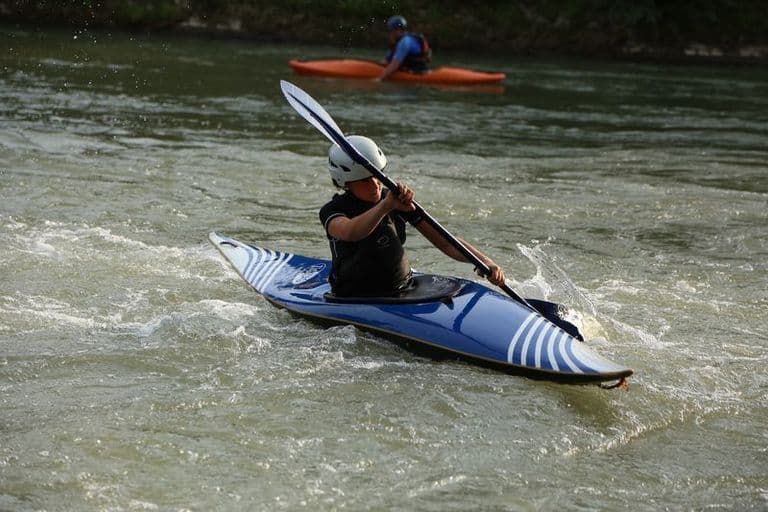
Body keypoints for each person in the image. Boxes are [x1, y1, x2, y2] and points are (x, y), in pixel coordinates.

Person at [319, 135, 506, 297]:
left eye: (378, 176)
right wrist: (386, 205)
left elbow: (446, 241)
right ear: (345, 183)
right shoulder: (333, 210)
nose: (375, 184)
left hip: (403, 288)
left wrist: (485, 262)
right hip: (354, 294)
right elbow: (352, 232)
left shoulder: (392, 199)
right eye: (365, 180)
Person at [376, 15, 432, 81]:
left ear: (398, 30)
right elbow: (386, 61)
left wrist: (379, 78)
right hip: (409, 69)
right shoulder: (397, 43)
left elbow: (394, 64)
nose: (390, 33)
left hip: (418, 71)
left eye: (391, 30)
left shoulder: (405, 42)